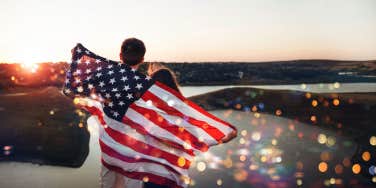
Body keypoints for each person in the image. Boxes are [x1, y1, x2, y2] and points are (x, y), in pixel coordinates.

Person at [101, 37, 146, 188]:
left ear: (120, 56)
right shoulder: (146, 85)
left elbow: (72, 89)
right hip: (133, 150)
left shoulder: (104, 77)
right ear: (142, 59)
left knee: (108, 183)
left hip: (108, 146)